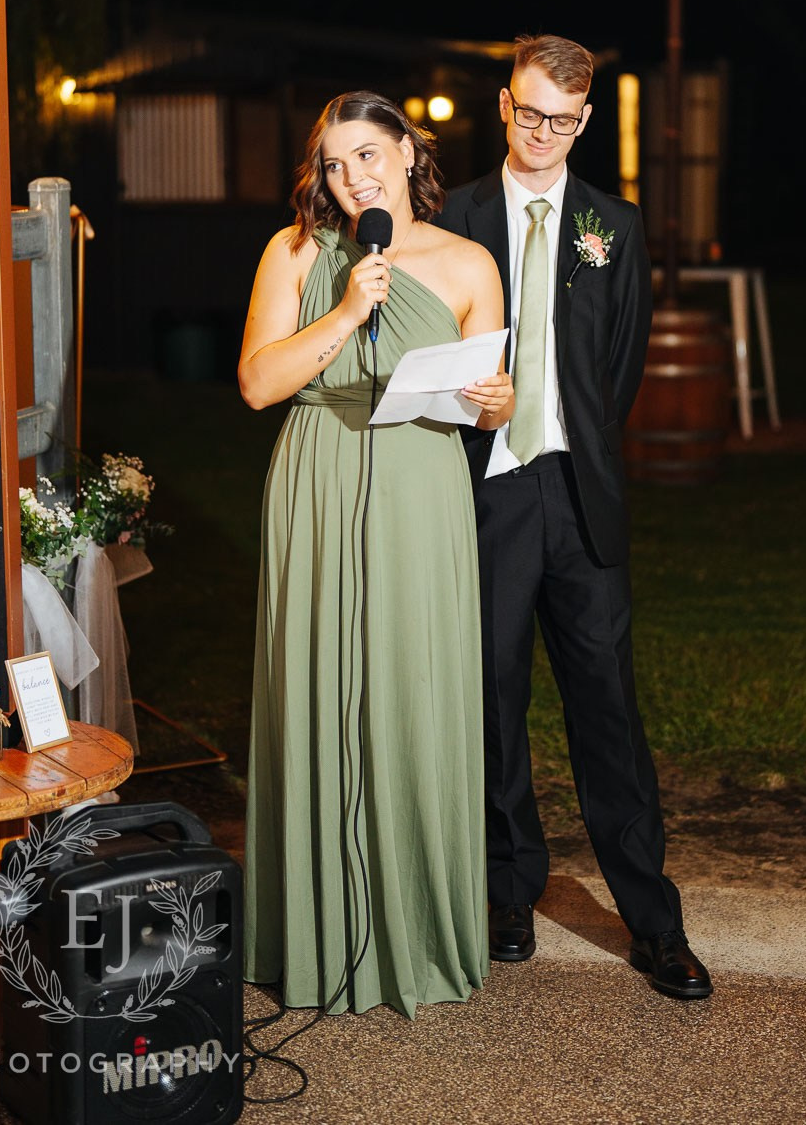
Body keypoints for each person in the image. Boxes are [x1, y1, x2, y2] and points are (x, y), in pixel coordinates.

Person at [437, 34, 712, 1000]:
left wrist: (571, 440)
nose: (543, 132)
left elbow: (619, 368)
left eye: (563, 118)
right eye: (528, 112)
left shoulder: (616, 225)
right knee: (493, 702)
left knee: (610, 716)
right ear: (502, 106)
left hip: (581, 502)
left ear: (586, 118)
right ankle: (512, 890)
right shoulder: (457, 218)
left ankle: (653, 922)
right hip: (489, 496)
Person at [239, 90, 513, 1018]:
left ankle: (419, 930)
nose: (353, 176)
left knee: (411, 687)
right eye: (333, 162)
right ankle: (313, 929)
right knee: (316, 683)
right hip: (316, 475)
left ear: (406, 152)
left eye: (367, 154)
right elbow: (257, 383)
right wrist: (350, 309)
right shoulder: (295, 253)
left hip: (421, 487)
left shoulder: (469, 261)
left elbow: (483, 396)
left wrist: (496, 401)